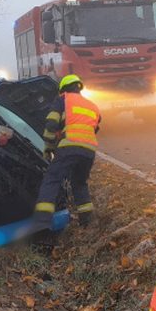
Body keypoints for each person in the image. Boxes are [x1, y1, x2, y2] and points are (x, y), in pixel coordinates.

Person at [30, 74, 101, 230]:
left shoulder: (63, 99)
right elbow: (95, 127)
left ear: (62, 89)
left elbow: (51, 124)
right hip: (89, 151)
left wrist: (49, 147)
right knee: (79, 182)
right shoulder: (92, 105)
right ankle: (87, 221)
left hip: (69, 146)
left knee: (52, 179)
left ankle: (42, 221)